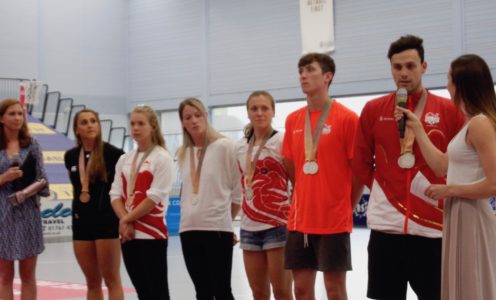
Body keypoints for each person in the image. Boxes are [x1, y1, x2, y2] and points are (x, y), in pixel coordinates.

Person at [352, 34, 466, 300]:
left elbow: (459, 162)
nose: (403, 73)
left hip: (433, 228)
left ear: (424, 67)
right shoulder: (372, 109)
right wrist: (385, 188)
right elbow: (360, 161)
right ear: (391, 68)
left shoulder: (449, 110)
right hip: (386, 228)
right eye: (397, 67)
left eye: (411, 66)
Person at [397, 54, 496, 300]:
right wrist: (418, 128)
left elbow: (493, 184)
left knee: (472, 286)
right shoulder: (469, 123)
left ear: (461, 84)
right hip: (460, 212)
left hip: (472, 215)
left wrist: (450, 191)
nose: (446, 84)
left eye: (449, 78)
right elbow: (442, 166)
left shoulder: (480, 124)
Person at [282, 53, 363, 300]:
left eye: (309, 70)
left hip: (333, 220)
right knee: (302, 290)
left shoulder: (348, 119)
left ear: (327, 76)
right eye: (300, 71)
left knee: (334, 290)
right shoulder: (293, 119)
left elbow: (358, 171)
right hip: (299, 220)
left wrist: (345, 206)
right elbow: (291, 164)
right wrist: (305, 194)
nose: (303, 75)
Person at [176, 97, 242, 300]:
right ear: (183, 122)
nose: (194, 120)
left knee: (221, 291)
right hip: (188, 229)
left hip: (217, 229)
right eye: (188, 117)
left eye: (198, 115)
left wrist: (226, 222)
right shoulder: (183, 153)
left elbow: (238, 192)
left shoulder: (225, 146)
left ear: (205, 116)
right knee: (202, 292)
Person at [109, 105, 174, 300]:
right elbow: (115, 194)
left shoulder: (162, 158)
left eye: (141, 124)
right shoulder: (124, 159)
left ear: (152, 127)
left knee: (158, 293)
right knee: (143, 292)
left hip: (152, 235)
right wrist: (125, 221)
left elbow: (154, 198)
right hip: (129, 235)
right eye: (133, 124)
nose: (135, 128)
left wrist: (125, 220)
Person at [235, 91, 293, 300]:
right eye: (254, 109)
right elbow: (240, 184)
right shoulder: (240, 146)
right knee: (258, 293)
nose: (259, 113)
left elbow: (296, 181)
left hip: (277, 225)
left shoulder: (282, 140)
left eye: (264, 108)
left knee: (282, 292)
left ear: (273, 112)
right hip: (249, 227)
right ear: (248, 113)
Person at [64, 109, 124, 300]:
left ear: (98, 125)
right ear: (76, 129)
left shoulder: (114, 154)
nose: (90, 125)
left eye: (93, 121)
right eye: (84, 122)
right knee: (91, 282)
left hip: (106, 221)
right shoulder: (71, 156)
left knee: (112, 280)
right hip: (81, 222)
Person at [0, 99, 50, 300]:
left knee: (28, 275)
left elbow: (43, 178)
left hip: (28, 211)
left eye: (20, 114)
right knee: (5, 276)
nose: (17, 118)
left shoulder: (32, 144)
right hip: (2, 213)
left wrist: (26, 192)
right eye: (12, 114)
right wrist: (4, 178)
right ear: (1, 118)